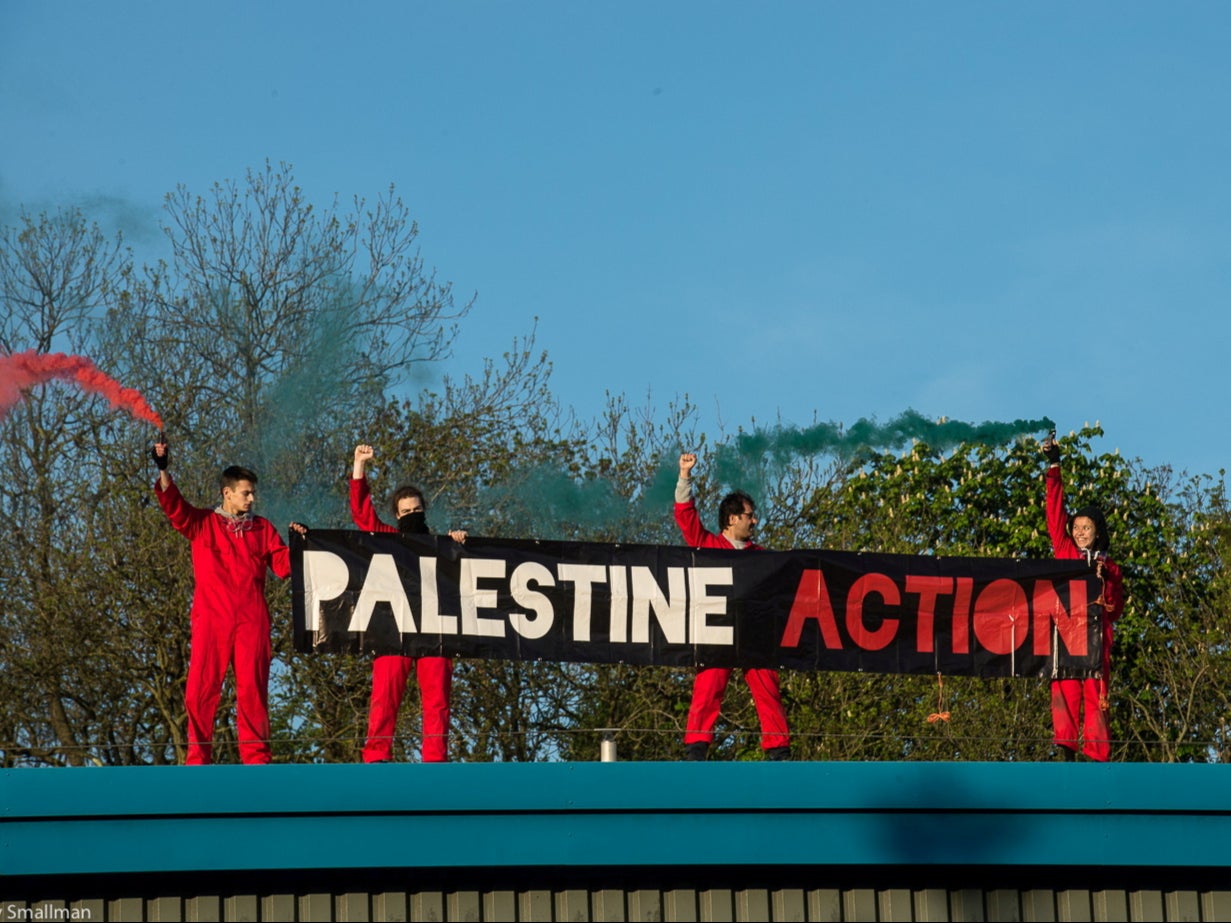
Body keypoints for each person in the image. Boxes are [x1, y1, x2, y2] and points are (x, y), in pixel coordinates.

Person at [152, 437, 304, 765]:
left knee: (253, 690)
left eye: (253, 493)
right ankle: (197, 758)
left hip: (252, 619)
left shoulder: (261, 528)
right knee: (201, 689)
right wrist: (164, 470)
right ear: (227, 493)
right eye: (246, 492)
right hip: (212, 617)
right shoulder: (204, 523)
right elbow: (175, 508)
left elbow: (283, 565)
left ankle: (257, 759)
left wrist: (302, 543)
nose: (252, 498)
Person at [350, 443, 466, 763]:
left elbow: (468, 569)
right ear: (397, 516)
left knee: (438, 699)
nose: (413, 515)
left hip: (434, 626)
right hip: (395, 627)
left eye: (417, 510)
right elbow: (362, 515)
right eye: (406, 512)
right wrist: (359, 465)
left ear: (424, 511)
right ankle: (376, 757)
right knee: (385, 696)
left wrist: (459, 544)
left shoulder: (441, 543)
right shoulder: (388, 537)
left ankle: (435, 760)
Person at [674, 452, 791, 761]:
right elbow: (686, 518)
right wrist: (685, 476)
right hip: (718, 629)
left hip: (754, 631)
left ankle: (778, 749)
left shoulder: (763, 555)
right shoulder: (709, 545)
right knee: (708, 684)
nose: (755, 521)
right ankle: (696, 748)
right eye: (749, 515)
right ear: (732, 519)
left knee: (767, 685)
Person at [1042, 433, 1125, 762]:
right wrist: (1053, 465)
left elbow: (1115, 609)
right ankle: (1065, 747)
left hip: (1094, 640)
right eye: (1076, 527)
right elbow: (1054, 514)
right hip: (1065, 636)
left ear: (1097, 531)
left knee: (1096, 697)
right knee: (1064, 689)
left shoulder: (1110, 566)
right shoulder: (1064, 553)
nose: (1079, 532)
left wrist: (1106, 584)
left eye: (1086, 528)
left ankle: (1097, 755)